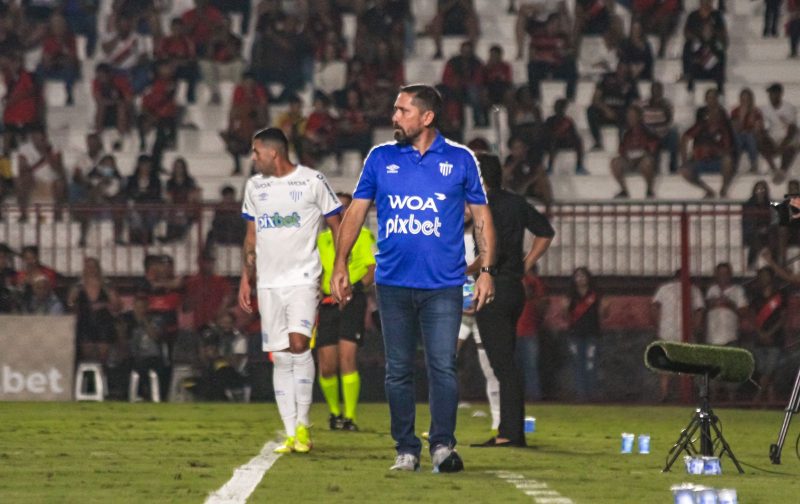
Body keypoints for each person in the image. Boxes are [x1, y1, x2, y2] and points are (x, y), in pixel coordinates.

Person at [330, 84, 496, 472]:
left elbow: (483, 218)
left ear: (427, 117)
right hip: (392, 283)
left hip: (443, 284)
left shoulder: (460, 159)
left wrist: (486, 270)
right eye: (395, 109)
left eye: (402, 111)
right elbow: (354, 213)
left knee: (442, 366)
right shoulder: (380, 157)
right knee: (398, 369)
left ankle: (442, 445)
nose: (394, 117)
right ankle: (406, 448)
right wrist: (340, 263)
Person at [238, 127, 343, 454]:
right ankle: (291, 432)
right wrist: (246, 277)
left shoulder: (312, 181)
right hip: (268, 282)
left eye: (256, 152)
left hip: (303, 278)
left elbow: (338, 224)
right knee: (281, 357)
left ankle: (304, 423)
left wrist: (339, 267)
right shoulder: (255, 186)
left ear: (274, 153)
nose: (253, 159)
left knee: (299, 345)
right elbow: (251, 237)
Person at [470, 153, 554, 447]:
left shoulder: (483, 206)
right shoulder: (516, 202)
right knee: (506, 363)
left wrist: (463, 271)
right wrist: (526, 264)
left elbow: (488, 251)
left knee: (503, 365)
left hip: (492, 286)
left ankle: (510, 434)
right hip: (513, 288)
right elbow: (545, 232)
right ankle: (510, 431)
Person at [316, 192, 376, 431]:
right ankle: (334, 413)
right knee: (327, 365)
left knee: (347, 358)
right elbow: (317, 271)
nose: (340, 213)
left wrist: (353, 289)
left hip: (353, 300)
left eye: (345, 208)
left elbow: (372, 270)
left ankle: (349, 417)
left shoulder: (363, 236)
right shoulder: (322, 240)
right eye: (336, 208)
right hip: (328, 303)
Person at [457, 205, 500, 434]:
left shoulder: (482, 234)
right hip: (457, 309)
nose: (464, 211)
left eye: (467, 206)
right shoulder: (446, 233)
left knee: (489, 366)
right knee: (443, 359)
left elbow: (487, 263)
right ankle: (446, 413)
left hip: (481, 306)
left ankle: (497, 418)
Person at [651, 271, 705, 401]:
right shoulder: (693, 290)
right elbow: (699, 310)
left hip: (668, 331)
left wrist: (658, 325)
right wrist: (695, 327)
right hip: (683, 331)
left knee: (666, 365)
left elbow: (654, 307)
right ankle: (682, 394)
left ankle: (666, 394)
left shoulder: (666, 289)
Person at [67, 257, 121, 365]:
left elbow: (116, 305)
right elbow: (70, 304)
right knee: (88, 358)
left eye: (93, 267)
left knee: (103, 357)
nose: (91, 269)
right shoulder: (78, 286)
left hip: (103, 324)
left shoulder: (107, 285)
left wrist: (105, 304)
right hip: (85, 323)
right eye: (88, 267)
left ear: (98, 268)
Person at [566, 267, 603, 402]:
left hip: (592, 333)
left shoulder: (595, 295)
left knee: (591, 363)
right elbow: (566, 316)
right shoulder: (571, 296)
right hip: (575, 334)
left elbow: (602, 314)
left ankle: (592, 393)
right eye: (577, 276)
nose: (580, 279)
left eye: (583, 276)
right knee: (577, 364)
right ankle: (581, 393)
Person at [611, 105, 660, 199]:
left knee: (648, 162)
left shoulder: (648, 130)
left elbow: (653, 148)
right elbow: (621, 149)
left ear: (639, 117)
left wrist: (640, 156)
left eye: (633, 115)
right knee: (615, 162)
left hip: (642, 160)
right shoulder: (624, 131)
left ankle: (649, 190)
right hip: (628, 160)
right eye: (629, 115)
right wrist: (626, 156)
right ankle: (624, 191)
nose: (630, 118)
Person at [760, 83, 798, 184]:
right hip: (772, 137)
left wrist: (782, 146)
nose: (771, 96)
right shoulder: (765, 109)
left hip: (786, 138)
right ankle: (773, 169)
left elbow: (792, 129)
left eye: (774, 93)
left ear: (780, 94)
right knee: (759, 141)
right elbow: (763, 128)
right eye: (770, 94)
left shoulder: (789, 108)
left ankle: (782, 171)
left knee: (794, 143)